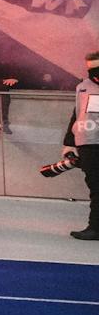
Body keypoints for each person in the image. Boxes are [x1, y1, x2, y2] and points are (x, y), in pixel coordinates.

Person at [60, 50, 99, 243]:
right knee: (96, 187)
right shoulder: (83, 87)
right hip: (88, 142)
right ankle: (95, 228)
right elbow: (77, 114)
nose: (94, 74)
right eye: (91, 70)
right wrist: (69, 143)